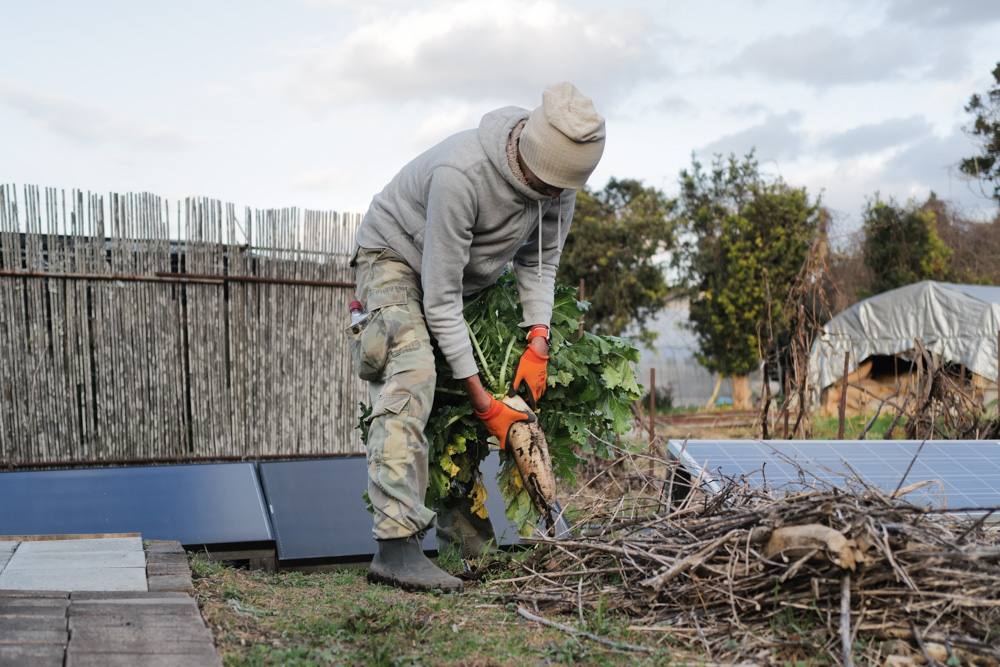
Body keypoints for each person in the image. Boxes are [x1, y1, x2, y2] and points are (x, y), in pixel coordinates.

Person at [347, 82, 606, 593]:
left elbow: (540, 262)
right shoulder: (461, 174)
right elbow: (441, 299)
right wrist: (486, 402)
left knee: (462, 406)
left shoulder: (561, 181)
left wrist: (538, 338)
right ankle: (395, 549)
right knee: (415, 372)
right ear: (530, 161)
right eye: (550, 187)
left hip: (469, 277)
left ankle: (468, 552)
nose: (557, 198)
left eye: (565, 189)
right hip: (396, 258)